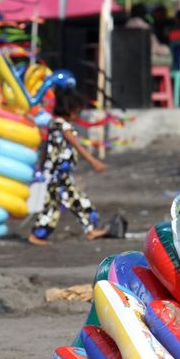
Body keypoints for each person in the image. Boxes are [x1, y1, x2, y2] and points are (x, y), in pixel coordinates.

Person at [29, 86, 110, 245]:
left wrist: (41, 166)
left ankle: (88, 229)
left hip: (54, 174)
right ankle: (38, 235)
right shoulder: (65, 127)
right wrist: (95, 162)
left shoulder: (52, 124)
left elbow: (46, 147)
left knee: (58, 205)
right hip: (59, 177)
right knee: (73, 203)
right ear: (70, 110)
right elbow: (78, 146)